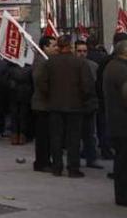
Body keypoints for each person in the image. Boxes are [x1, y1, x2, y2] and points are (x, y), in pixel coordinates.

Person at [39, 34, 95, 178]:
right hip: (75, 106)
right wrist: (83, 99)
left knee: (56, 138)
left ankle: (57, 167)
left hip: (55, 106)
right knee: (74, 139)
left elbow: (42, 84)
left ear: (59, 46)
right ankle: (73, 168)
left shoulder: (50, 63)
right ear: (70, 46)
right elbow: (87, 85)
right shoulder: (80, 63)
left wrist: (50, 97)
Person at [102, 39, 127, 206]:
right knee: (124, 162)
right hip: (123, 122)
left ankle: (121, 195)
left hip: (115, 121)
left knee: (121, 161)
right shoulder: (122, 70)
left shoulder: (111, 67)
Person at [75, 39, 103, 169]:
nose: (82, 54)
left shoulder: (93, 66)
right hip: (74, 104)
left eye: (84, 51)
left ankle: (91, 158)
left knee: (90, 134)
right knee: (74, 134)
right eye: (79, 51)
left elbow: (97, 85)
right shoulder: (71, 65)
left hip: (89, 105)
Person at [32, 35, 58, 172]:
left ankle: (46, 160)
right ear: (45, 47)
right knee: (43, 136)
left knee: (48, 135)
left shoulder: (48, 60)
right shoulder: (41, 61)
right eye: (53, 46)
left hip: (46, 104)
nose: (56, 49)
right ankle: (42, 162)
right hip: (42, 105)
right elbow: (39, 81)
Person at [6, 54, 33, 145]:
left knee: (16, 115)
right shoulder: (29, 67)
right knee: (22, 115)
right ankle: (21, 135)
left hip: (15, 93)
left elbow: (6, 80)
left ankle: (16, 135)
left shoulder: (11, 67)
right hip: (24, 93)